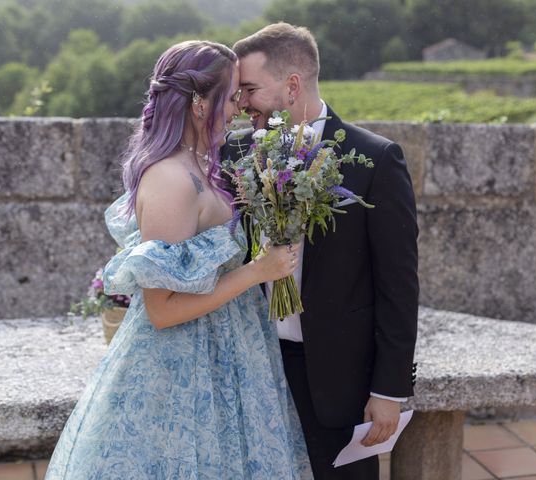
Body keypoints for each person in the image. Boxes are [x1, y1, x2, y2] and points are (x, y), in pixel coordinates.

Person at [45, 40, 312, 479]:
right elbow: (162, 309)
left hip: (224, 354)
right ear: (199, 104)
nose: (239, 108)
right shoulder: (171, 179)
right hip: (181, 368)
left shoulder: (199, 165)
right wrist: (258, 271)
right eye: (230, 97)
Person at [222, 23, 419, 479]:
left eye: (249, 89)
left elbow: (399, 285)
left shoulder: (374, 159)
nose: (240, 103)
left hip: (337, 380)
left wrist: (389, 390)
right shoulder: (234, 153)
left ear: (292, 85)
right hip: (252, 369)